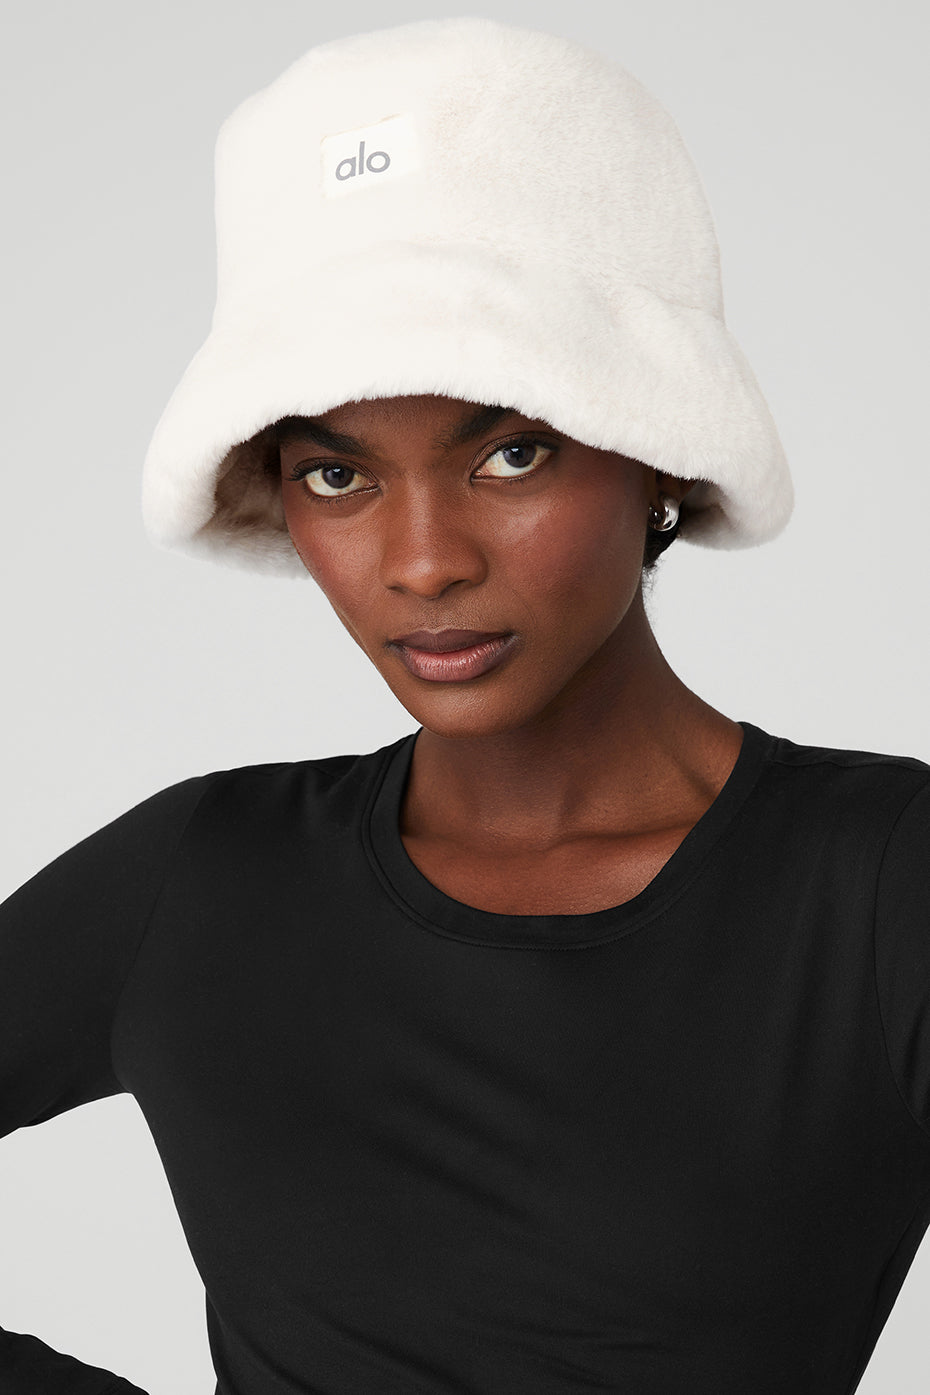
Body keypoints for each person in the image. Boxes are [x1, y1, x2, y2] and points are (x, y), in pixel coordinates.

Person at [2, 15, 928, 1395]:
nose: (423, 560)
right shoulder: (198, 878)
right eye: (337, 476)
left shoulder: (880, 886)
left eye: (510, 453)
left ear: (660, 454)